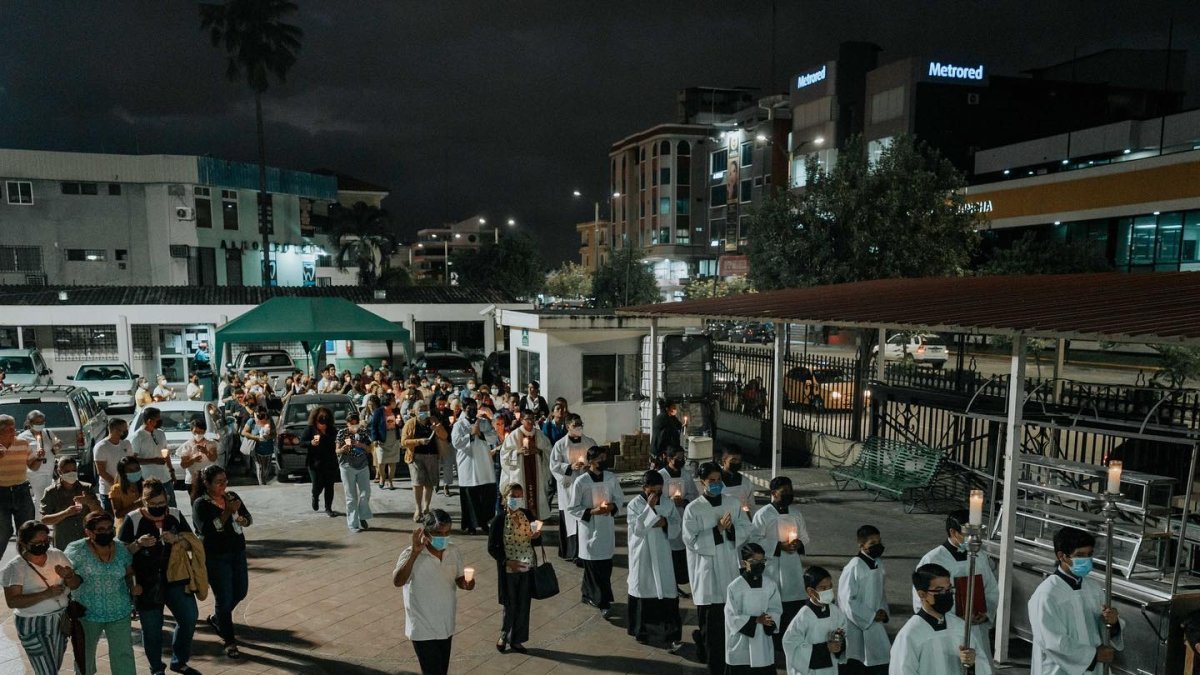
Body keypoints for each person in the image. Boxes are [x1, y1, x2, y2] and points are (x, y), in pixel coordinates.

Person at [119, 478, 201, 675]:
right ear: (143, 501)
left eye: (161, 503)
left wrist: (177, 539)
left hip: (176, 578)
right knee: (152, 628)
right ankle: (156, 667)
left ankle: (179, 661)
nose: (158, 507)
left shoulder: (175, 515)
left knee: (189, 618)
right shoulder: (133, 519)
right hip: (146, 582)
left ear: (167, 499)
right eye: (153, 504)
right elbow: (120, 553)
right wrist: (138, 544)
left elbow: (192, 544)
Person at [683, 460, 753, 675]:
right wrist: (718, 529)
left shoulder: (732, 503)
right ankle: (711, 659)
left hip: (729, 568)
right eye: (711, 481)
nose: (716, 484)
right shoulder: (694, 508)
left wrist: (731, 531)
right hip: (707, 573)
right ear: (702, 482)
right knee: (711, 623)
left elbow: (746, 527)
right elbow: (690, 540)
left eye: (718, 480)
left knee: (729, 620)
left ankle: (729, 659)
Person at [1028, 526, 1124, 675]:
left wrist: (1113, 623)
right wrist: (1093, 655)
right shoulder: (1047, 594)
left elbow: (1103, 629)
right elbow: (1052, 641)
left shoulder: (1093, 588)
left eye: (1089, 554)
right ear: (1062, 556)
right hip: (1058, 670)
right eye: (1080, 555)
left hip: (1094, 669)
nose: (1086, 560)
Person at [392, 509, 476, 675]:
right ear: (426, 533)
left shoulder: (453, 551)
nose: (443, 537)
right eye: (438, 533)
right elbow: (398, 581)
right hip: (422, 627)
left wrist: (467, 583)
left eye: (447, 533)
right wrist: (414, 553)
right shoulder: (410, 554)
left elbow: (459, 579)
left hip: (445, 624)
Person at [911, 510, 998, 665]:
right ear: (953, 532)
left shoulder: (980, 555)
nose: (973, 539)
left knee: (980, 666)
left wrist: (985, 614)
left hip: (977, 628)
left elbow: (991, 588)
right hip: (948, 632)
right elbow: (922, 601)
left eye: (976, 534)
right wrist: (956, 620)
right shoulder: (933, 560)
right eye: (968, 534)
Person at [64, 511, 139, 675]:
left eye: (109, 528)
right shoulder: (76, 550)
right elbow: (73, 583)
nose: (107, 532)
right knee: (85, 656)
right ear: (89, 532)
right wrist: (68, 577)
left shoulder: (120, 548)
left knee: (123, 654)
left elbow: (129, 572)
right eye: (101, 529)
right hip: (87, 613)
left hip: (119, 611)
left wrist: (134, 587)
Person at [2, 520, 78, 675]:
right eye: (37, 543)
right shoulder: (15, 567)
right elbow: (12, 601)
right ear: (24, 543)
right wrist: (46, 594)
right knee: (47, 671)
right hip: (33, 623)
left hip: (60, 620)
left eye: (46, 541)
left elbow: (75, 584)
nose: (43, 545)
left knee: (53, 667)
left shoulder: (57, 555)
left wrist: (69, 576)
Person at [193, 464, 251, 658]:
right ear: (207, 483)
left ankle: (218, 618)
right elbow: (210, 530)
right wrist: (227, 512)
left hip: (237, 552)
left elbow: (247, 517)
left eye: (225, 481)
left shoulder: (231, 497)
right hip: (216, 556)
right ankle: (229, 640)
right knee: (224, 598)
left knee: (241, 591)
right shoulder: (201, 504)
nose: (223, 485)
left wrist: (243, 519)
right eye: (218, 482)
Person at [889, 563, 990, 675]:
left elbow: (982, 665)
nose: (946, 594)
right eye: (940, 590)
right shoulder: (910, 635)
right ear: (922, 594)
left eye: (949, 589)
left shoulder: (960, 626)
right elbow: (901, 671)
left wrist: (972, 663)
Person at [625, 470, 683, 651]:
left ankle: (670, 634)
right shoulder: (635, 504)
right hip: (643, 553)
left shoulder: (667, 502)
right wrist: (649, 510)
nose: (656, 495)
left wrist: (665, 522)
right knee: (644, 588)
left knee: (667, 590)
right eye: (652, 491)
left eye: (659, 490)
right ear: (645, 488)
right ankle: (643, 632)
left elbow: (676, 524)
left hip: (662, 551)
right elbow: (638, 529)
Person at [567, 445, 623, 617]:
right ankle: (602, 601)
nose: (603, 461)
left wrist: (612, 506)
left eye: (604, 458)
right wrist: (592, 511)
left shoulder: (611, 478)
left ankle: (587, 594)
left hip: (606, 528)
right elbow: (573, 508)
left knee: (605, 566)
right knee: (593, 568)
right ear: (590, 461)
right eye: (600, 459)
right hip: (590, 529)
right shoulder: (581, 482)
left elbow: (619, 498)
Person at [753, 475, 810, 642]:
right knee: (775, 602)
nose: (788, 494)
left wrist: (798, 543)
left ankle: (792, 636)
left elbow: (804, 536)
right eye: (784, 491)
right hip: (772, 566)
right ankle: (774, 639)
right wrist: (778, 546)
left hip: (792, 565)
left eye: (790, 491)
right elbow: (754, 539)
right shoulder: (764, 514)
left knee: (793, 603)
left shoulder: (796, 513)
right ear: (773, 493)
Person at [487, 483, 540, 653]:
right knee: (510, 604)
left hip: (527, 566)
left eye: (519, 496)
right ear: (504, 498)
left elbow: (535, 540)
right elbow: (492, 547)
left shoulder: (527, 515)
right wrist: (506, 562)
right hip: (509, 569)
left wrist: (536, 535)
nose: (517, 499)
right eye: (513, 496)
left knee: (523, 604)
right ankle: (504, 635)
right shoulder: (499, 520)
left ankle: (517, 639)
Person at [838, 525, 891, 675]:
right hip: (856, 624)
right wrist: (870, 615)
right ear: (861, 545)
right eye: (872, 543)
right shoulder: (854, 567)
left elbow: (880, 593)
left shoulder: (878, 563)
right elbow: (847, 600)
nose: (878, 546)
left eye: (879, 542)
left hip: (875, 621)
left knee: (879, 661)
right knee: (857, 661)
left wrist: (882, 610)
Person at [724, 542, 783, 674]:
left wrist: (769, 620)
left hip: (762, 641)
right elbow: (731, 616)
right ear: (744, 563)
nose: (759, 565)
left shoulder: (770, 585)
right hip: (741, 643)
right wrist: (755, 620)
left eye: (762, 561)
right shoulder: (735, 587)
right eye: (754, 561)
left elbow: (776, 609)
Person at [782, 565, 848, 675]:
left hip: (831, 668)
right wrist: (825, 648)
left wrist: (839, 641)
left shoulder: (835, 611)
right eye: (823, 588)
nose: (828, 591)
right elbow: (790, 644)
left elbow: (844, 630)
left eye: (830, 587)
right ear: (810, 591)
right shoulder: (804, 616)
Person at [548, 414, 594, 561]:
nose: (579, 427)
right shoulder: (560, 445)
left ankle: (585, 551)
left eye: (580, 424)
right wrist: (569, 467)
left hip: (585, 486)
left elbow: (597, 459)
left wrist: (589, 467)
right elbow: (553, 465)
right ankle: (571, 552)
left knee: (584, 517)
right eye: (575, 425)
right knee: (570, 519)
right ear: (568, 426)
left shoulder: (589, 442)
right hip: (569, 486)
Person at [0, 414, 45, 558]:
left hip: (21, 491)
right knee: (3, 531)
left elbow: (33, 466)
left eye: (13, 428)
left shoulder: (22, 443)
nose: (14, 431)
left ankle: (27, 561)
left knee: (27, 530)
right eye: (9, 429)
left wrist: (38, 458)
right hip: (1, 493)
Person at [451, 398, 497, 535]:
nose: (472, 411)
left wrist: (480, 433)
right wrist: (471, 434)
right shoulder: (458, 425)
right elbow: (456, 443)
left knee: (485, 496)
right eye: (469, 408)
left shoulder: (483, 422)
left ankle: (484, 523)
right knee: (470, 497)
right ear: (463, 409)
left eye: (474, 408)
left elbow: (494, 437)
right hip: (468, 465)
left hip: (484, 465)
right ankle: (470, 525)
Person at [660, 445, 699, 595]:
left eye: (683, 458)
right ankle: (671, 585)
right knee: (670, 554)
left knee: (684, 552)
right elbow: (658, 498)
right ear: (669, 459)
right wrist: (670, 503)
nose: (681, 461)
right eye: (678, 458)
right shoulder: (661, 476)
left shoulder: (686, 475)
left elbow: (694, 494)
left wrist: (685, 501)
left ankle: (684, 581)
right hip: (668, 519)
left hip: (684, 516)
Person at [40, 455, 103, 550]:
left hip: (86, 541)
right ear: (59, 472)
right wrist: (66, 513)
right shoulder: (51, 492)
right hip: (63, 542)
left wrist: (89, 502)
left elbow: (100, 514)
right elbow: (45, 520)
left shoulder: (86, 488)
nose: (71, 474)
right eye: (67, 472)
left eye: (74, 471)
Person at [499, 413, 551, 519]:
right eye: (528, 419)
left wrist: (539, 451)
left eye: (532, 418)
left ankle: (535, 522)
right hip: (519, 474)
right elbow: (503, 455)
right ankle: (516, 521)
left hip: (537, 474)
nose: (530, 421)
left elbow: (549, 452)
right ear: (522, 420)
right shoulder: (514, 435)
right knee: (518, 498)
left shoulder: (540, 435)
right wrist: (517, 452)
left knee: (536, 500)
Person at [402, 400, 443, 522]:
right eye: (421, 410)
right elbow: (403, 442)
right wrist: (418, 441)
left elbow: (444, 436)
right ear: (415, 411)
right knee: (417, 483)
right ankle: (418, 509)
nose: (424, 412)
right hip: (415, 456)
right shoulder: (410, 423)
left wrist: (437, 429)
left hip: (432, 455)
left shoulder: (433, 421)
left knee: (429, 483)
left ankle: (426, 508)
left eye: (426, 409)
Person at [336, 411, 374, 532]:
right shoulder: (342, 433)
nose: (354, 425)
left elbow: (370, 449)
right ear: (347, 423)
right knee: (351, 497)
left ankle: (362, 515)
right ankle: (353, 524)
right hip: (347, 466)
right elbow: (337, 451)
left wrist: (361, 445)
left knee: (365, 493)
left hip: (362, 465)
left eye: (356, 422)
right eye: (351, 423)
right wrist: (343, 449)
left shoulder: (363, 432)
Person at [18, 410, 60, 518]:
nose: (40, 425)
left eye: (42, 422)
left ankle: (42, 519)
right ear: (30, 423)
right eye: (37, 422)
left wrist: (57, 446)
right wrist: (36, 456)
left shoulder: (48, 433)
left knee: (46, 495)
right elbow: (22, 457)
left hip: (48, 470)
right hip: (34, 471)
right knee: (41, 496)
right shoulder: (23, 437)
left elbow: (56, 442)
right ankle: (39, 520)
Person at [131, 407, 176, 507]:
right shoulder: (137, 436)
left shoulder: (160, 433)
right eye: (158, 419)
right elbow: (133, 460)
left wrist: (171, 470)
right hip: (149, 480)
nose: (160, 421)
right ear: (149, 421)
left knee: (171, 506)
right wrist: (153, 460)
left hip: (165, 477)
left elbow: (165, 453)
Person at [301, 407, 339, 517]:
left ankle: (328, 508)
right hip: (314, 463)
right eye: (321, 418)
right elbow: (302, 443)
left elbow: (338, 442)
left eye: (325, 418)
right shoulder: (310, 429)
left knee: (329, 486)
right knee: (317, 484)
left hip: (330, 462)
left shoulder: (332, 430)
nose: (323, 420)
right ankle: (315, 496)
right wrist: (311, 443)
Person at [92, 417, 133, 514]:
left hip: (127, 490)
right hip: (108, 492)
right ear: (115, 430)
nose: (126, 432)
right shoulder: (101, 447)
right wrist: (118, 486)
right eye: (124, 430)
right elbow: (101, 472)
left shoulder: (126, 444)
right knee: (110, 518)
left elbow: (131, 464)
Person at [178, 417, 219, 503]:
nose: (198, 434)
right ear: (191, 431)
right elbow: (183, 464)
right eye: (195, 432)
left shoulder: (211, 444)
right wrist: (193, 460)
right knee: (196, 503)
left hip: (208, 480)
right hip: (192, 481)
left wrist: (206, 451)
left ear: (204, 431)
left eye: (201, 432)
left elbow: (213, 458)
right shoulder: (187, 446)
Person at [371, 394, 402, 490]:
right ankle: (382, 476)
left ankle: (390, 481)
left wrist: (399, 423)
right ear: (388, 401)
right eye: (393, 400)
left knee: (393, 461)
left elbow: (401, 424)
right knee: (381, 461)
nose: (394, 402)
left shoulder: (396, 410)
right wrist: (375, 439)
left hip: (393, 437)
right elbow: (374, 426)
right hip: (382, 439)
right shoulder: (378, 412)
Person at [430, 395, 457, 498]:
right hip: (435, 441)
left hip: (447, 440)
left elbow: (453, 424)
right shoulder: (432, 412)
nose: (441, 406)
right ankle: (435, 483)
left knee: (448, 464)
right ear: (436, 403)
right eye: (439, 404)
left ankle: (446, 485)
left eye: (443, 404)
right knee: (436, 464)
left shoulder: (450, 412)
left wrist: (452, 424)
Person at [242, 406, 277, 486]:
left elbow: (274, 434)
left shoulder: (270, 421)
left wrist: (268, 437)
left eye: (262, 415)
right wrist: (256, 437)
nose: (260, 417)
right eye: (258, 415)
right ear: (255, 414)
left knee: (266, 469)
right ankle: (262, 485)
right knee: (260, 466)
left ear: (266, 414)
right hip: (256, 448)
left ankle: (263, 482)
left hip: (268, 449)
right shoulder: (252, 421)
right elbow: (244, 432)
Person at [719, 445, 753, 515]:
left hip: (742, 519)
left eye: (739, 460)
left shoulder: (746, 482)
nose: (737, 463)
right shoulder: (715, 482)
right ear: (724, 461)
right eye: (733, 460)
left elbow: (751, 506)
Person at [109, 456, 145, 521]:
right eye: (130, 470)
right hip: (126, 524)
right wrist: (136, 505)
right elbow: (118, 514)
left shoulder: (145, 485)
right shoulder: (116, 489)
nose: (135, 472)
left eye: (137, 468)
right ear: (123, 473)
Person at [651, 400, 683, 470]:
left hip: (661, 450)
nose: (675, 409)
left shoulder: (668, 417)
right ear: (667, 408)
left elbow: (678, 425)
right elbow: (669, 434)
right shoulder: (664, 419)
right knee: (663, 469)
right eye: (673, 407)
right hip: (661, 451)